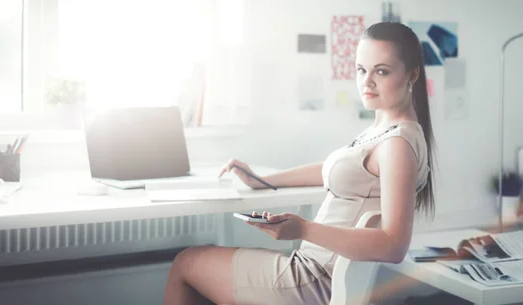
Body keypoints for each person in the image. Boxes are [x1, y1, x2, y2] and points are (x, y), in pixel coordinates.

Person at [163, 21, 435, 305]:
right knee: (199, 265)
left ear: (412, 75)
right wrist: (262, 180)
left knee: (186, 263)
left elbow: (393, 245)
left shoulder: (397, 145)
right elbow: (334, 170)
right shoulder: (384, 130)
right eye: (361, 70)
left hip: (311, 280)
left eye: (381, 71)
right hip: (310, 270)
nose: (366, 82)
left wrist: (303, 229)